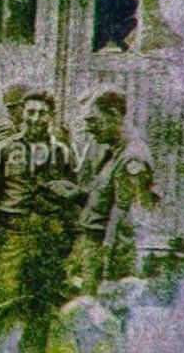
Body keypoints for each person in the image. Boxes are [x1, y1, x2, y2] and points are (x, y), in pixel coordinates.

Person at [0, 90, 76, 353]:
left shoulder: (62, 153)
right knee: (2, 301)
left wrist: (68, 242)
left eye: (42, 113)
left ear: (50, 116)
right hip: (12, 235)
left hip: (47, 238)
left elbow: (73, 196)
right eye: (30, 112)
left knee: (40, 305)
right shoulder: (4, 150)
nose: (35, 118)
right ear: (22, 113)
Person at [51, 90, 160, 296]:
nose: (88, 128)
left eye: (93, 120)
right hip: (95, 246)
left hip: (107, 252)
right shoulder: (112, 151)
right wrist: (79, 194)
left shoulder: (131, 158)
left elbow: (125, 217)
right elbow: (108, 198)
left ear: (114, 115)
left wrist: (107, 264)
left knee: (97, 312)